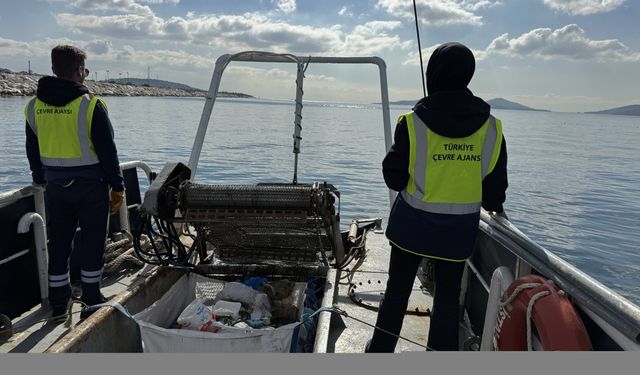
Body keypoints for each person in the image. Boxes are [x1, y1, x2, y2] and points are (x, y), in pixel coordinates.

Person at [365, 42, 508, 352]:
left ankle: (379, 352)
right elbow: (494, 194)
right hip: (457, 234)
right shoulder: (492, 128)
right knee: (447, 297)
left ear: (434, 76)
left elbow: (394, 175)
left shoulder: (412, 123)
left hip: (411, 229)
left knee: (397, 292)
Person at [24, 45, 125, 322]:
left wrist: (39, 177)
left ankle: (58, 305)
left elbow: (32, 147)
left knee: (58, 244)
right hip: (92, 186)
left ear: (55, 70)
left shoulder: (34, 106)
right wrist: (118, 186)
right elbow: (108, 151)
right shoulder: (90, 105)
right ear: (79, 71)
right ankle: (91, 300)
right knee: (93, 243)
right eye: (85, 70)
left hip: (56, 188)